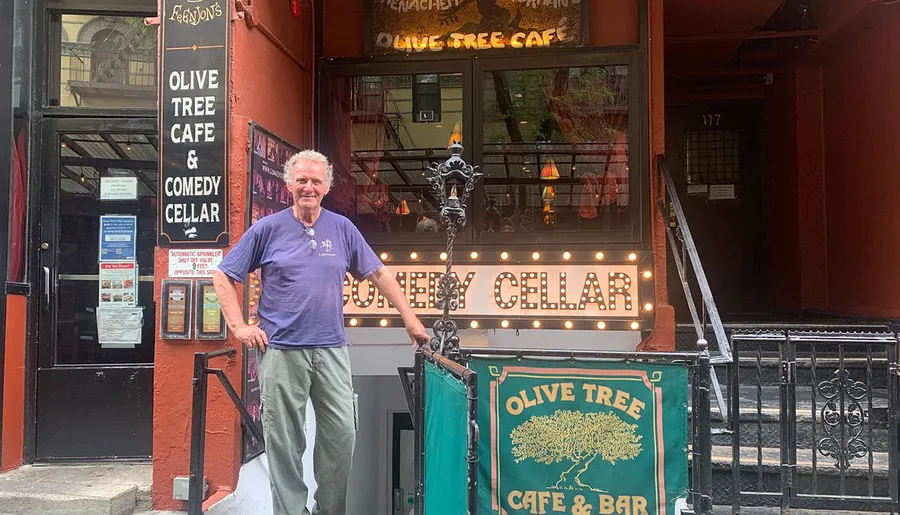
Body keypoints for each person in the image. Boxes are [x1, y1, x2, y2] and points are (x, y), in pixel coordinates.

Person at [213, 149, 429, 515]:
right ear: (288, 185)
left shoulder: (342, 228)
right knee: (284, 443)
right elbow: (224, 274)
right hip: (281, 350)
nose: (308, 187)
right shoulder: (268, 228)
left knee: (343, 435)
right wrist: (238, 326)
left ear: (326, 186)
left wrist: (409, 318)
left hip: (331, 349)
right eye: (301, 181)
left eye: (315, 181)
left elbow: (378, 273)